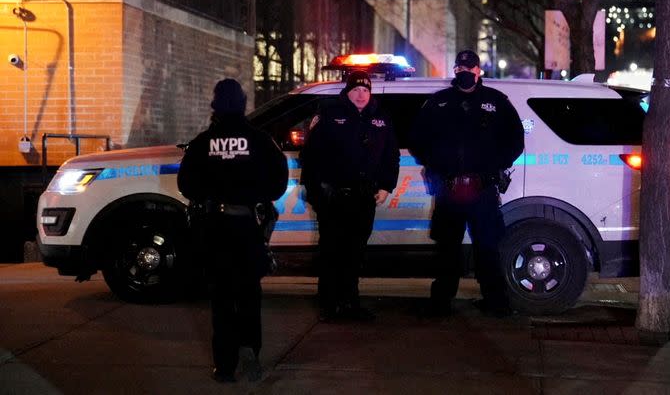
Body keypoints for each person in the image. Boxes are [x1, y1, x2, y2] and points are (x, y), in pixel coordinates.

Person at [178, 78, 288, 383]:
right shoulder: (259, 140)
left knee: (222, 299)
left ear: (215, 105)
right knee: (249, 295)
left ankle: (224, 366)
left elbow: (186, 184)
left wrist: (212, 193)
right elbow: (279, 179)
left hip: (215, 229)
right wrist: (256, 195)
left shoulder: (203, 143)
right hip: (247, 227)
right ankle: (250, 352)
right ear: (242, 104)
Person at [409, 50, 524, 317]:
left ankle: (496, 303)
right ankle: (440, 303)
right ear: (455, 70)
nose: (465, 72)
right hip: (448, 189)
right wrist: (436, 167)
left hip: (482, 189)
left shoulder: (496, 102)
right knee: (447, 249)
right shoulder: (439, 102)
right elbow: (417, 139)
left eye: (469, 68)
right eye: (460, 68)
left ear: (478, 71)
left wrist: (495, 167)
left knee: (487, 248)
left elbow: (515, 140)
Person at [300, 70, 400, 322]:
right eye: (356, 89)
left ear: (371, 92)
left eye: (365, 90)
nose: (360, 94)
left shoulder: (381, 118)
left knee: (355, 253)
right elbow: (310, 156)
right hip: (333, 197)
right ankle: (329, 305)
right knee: (332, 251)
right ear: (347, 91)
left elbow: (391, 156)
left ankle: (350, 303)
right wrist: (316, 192)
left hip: (363, 197)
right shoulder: (330, 114)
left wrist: (387, 186)